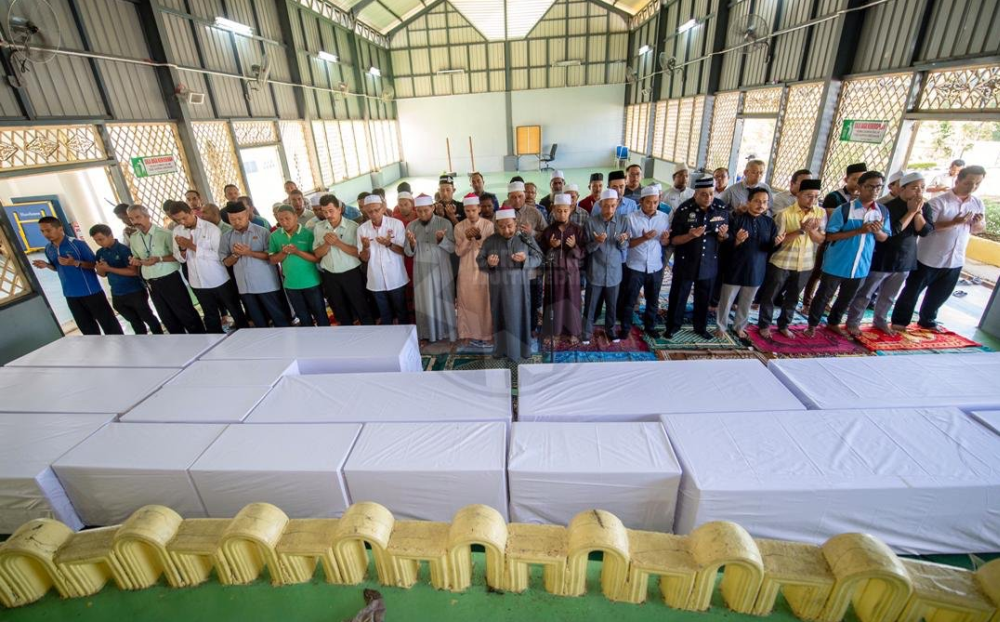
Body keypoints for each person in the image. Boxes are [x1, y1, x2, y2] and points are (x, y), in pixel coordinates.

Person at [891, 165, 987, 332]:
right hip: (929, 256)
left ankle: (928, 320)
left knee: (940, 294)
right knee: (912, 291)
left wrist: (977, 224)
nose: (972, 187)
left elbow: (979, 229)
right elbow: (927, 228)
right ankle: (900, 321)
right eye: (968, 182)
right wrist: (954, 223)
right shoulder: (939, 202)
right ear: (957, 180)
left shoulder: (977, 203)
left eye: (977, 183)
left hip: (955, 258)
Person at [805, 171, 891, 337]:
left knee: (846, 297)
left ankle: (833, 322)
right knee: (824, 295)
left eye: (878, 187)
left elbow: (884, 237)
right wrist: (860, 230)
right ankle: (812, 325)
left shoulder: (882, 212)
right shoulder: (844, 210)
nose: (874, 191)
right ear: (859, 187)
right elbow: (830, 236)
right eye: (869, 186)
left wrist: (877, 231)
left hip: (861, 264)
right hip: (837, 262)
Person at [845, 172, 931, 336]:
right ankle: (853, 322)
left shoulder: (924, 207)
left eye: (922, 188)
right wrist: (911, 212)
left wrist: (918, 212)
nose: (919, 192)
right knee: (866, 293)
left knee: (889, 295)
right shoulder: (886, 208)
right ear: (902, 189)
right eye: (914, 188)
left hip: (905, 259)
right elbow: (893, 232)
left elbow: (926, 231)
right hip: (882, 257)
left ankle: (880, 320)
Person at [756, 178, 826, 340]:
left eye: (816, 197)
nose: (813, 200)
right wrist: (801, 230)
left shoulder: (820, 213)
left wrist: (811, 231)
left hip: (805, 263)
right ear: (799, 195)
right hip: (782, 261)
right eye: (809, 196)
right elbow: (776, 240)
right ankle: (765, 325)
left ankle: (783, 325)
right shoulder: (784, 214)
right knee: (770, 295)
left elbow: (820, 239)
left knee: (793, 297)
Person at [31, 217, 122, 335]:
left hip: (91, 292)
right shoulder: (48, 248)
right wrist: (47, 265)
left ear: (60, 228)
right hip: (70, 295)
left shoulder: (77, 244)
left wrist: (75, 263)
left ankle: (122, 349)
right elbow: (57, 268)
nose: (45, 234)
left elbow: (94, 264)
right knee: (87, 330)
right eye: (42, 231)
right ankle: (99, 351)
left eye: (48, 230)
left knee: (109, 325)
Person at [665, 176, 730, 339]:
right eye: (703, 194)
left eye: (710, 193)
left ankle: (700, 327)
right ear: (695, 194)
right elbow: (673, 240)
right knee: (679, 295)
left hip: (709, 262)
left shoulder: (721, 208)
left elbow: (725, 237)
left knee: (704, 297)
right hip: (686, 261)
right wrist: (690, 235)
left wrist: (723, 236)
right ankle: (673, 326)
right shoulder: (684, 210)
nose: (708, 197)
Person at [168, 202, 248, 333]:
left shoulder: (211, 229)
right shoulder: (177, 231)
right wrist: (183, 250)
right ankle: (217, 343)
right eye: (178, 220)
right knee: (210, 315)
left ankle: (246, 336)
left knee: (235, 310)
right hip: (197, 281)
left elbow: (219, 256)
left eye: (184, 218)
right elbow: (178, 257)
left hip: (218, 279)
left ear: (192, 212)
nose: (182, 222)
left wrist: (192, 246)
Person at [716, 188, 784, 339]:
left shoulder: (769, 223)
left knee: (746, 302)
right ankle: (721, 326)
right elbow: (725, 244)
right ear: (749, 202)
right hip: (735, 267)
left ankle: (739, 326)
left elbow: (768, 248)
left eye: (765, 202)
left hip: (756, 268)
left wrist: (777, 243)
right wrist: (737, 240)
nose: (761, 205)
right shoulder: (737, 219)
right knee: (727, 300)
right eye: (757, 201)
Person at [125, 205, 205, 333]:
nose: (135, 221)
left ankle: (201, 338)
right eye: (131, 219)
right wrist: (135, 261)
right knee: (166, 316)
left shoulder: (165, 234)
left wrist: (159, 259)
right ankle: (181, 344)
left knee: (185, 312)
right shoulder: (134, 238)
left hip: (170, 279)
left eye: (138, 217)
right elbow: (136, 257)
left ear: (147, 216)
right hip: (151, 282)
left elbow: (178, 257)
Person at [477, 209, 543, 361]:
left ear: (516, 223)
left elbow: (539, 257)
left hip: (519, 288)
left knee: (520, 317)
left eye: (509, 226)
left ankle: (522, 350)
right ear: (497, 226)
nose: (506, 230)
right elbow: (480, 261)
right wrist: (489, 263)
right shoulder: (490, 241)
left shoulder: (526, 239)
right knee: (500, 316)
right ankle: (501, 350)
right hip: (498, 289)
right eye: (502, 227)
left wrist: (525, 260)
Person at [803, 161, 868, 308]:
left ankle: (826, 302)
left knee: (841, 275)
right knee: (819, 272)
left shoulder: (864, 201)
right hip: (831, 242)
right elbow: (834, 223)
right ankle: (807, 302)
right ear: (846, 179)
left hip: (851, 245)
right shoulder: (834, 197)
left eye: (862, 180)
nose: (859, 183)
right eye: (855, 179)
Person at [220, 202, 290, 328]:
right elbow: (226, 262)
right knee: (258, 321)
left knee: (278, 317)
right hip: (245, 287)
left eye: (239, 218)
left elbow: (272, 257)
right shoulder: (226, 237)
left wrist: (249, 252)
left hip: (266, 284)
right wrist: (235, 255)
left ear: (247, 215)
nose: (236, 222)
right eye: (232, 219)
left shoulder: (263, 232)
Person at [312, 194, 372, 327]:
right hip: (330, 275)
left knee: (361, 307)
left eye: (331, 211)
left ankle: (371, 335)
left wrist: (338, 243)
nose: (328, 215)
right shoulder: (319, 227)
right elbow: (317, 254)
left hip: (351, 274)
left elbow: (358, 253)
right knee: (340, 310)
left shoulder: (353, 227)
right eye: (325, 211)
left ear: (339, 209)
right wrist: (327, 244)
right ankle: (348, 341)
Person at [90, 224, 162, 334]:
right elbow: (102, 274)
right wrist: (100, 268)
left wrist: (109, 268)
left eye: (101, 239)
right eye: (96, 241)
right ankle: (143, 340)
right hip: (117, 292)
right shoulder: (100, 253)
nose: (99, 243)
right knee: (133, 320)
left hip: (134, 290)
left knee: (147, 316)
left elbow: (133, 271)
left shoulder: (123, 250)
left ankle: (159, 336)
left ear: (110, 235)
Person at [405, 194, 457, 343]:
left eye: (426, 210)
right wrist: (413, 243)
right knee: (425, 301)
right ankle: (429, 333)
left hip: (442, 268)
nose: (423, 214)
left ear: (433, 207)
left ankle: (446, 332)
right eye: (419, 211)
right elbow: (408, 252)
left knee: (443, 298)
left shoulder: (445, 223)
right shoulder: (411, 226)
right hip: (421, 270)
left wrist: (442, 239)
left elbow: (453, 248)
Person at [268, 204, 329, 327]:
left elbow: (317, 259)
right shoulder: (275, 236)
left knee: (320, 315)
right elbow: (273, 260)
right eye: (280, 219)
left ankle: (327, 342)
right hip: (291, 285)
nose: (284, 222)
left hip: (312, 282)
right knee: (303, 317)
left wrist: (297, 252)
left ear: (295, 217)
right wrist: (283, 252)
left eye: (287, 218)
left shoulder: (308, 234)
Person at [582, 188, 630, 344]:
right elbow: (587, 248)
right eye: (606, 206)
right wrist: (597, 242)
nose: (609, 209)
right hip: (595, 270)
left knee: (612, 305)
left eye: (612, 206)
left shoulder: (623, 221)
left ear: (617, 204)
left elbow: (625, 246)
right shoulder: (591, 222)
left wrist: (622, 241)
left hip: (614, 272)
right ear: (600, 204)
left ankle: (611, 331)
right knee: (590, 305)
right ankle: (586, 332)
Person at [623, 186, 671, 338]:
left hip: (655, 267)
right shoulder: (630, 218)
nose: (652, 206)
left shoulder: (664, 218)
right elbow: (627, 244)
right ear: (641, 201)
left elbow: (664, 243)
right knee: (629, 300)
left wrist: (665, 240)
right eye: (648, 202)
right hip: (635, 266)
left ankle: (650, 326)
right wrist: (644, 238)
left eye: (655, 202)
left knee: (653, 300)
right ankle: (625, 328)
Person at [357, 194, 409, 325]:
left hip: (396, 276)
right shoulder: (362, 229)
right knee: (385, 314)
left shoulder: (396, 224)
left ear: (383, 208)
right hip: (376, 279)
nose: (374, 214)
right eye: (370, 211)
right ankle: (389, 342)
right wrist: (365, 247)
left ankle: (407, 339)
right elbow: (364, 258)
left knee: (402, 312)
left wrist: (389, 244)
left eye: (377, 210)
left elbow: (404, 251)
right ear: (365, 211)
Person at [541, 195, 584, 343]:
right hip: (554, 273)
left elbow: (583, 254)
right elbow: (541, 254)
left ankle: (573, 332)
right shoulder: (548, 231)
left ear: (570, 210)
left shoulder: (577, 230)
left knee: (572, 301)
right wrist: (551, 247)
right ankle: (554, 333)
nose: (562, 214)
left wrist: (574, 247)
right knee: (555, 301)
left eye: (565, 210)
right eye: (558, 211)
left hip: (572, 273)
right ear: (553, 210)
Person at [455, 193, 494, 347]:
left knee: (485, 303)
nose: (470, 214)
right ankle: (467, 333)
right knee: (466, 303)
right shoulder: (459, 227)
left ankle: (486, 334)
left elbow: (490, 250)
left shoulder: (488, 226)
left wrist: (478, 239)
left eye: (473, 210)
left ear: (479, 209)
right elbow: (459, 252)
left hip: (483, 271)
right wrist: (466, 238)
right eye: (467, 211)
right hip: (465, 270)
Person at [507, 180, 547, 335]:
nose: (516, 200)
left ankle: (531, 327)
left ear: (524, 196)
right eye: (513, 197)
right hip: (510, 267)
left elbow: (546, 234)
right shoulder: (503, 213)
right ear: (509, 197)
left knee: (531, 299)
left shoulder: (534, 212)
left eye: (519, 196)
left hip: (531, 266)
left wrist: (533, 233)